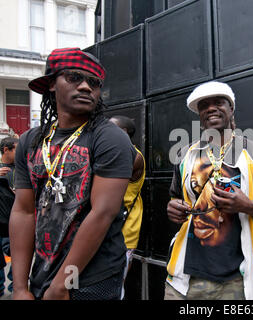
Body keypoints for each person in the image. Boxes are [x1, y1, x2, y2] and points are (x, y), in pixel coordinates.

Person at [10, 47, 136, 300]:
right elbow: (23, 211)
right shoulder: (30, 141)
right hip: (43, 270)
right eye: (74, 78)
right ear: (52, 84)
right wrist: (20, 287)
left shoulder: (110, 138)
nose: (86, 87)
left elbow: (103, 213)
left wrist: (62, 284)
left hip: (92, 277)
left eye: (93, 82)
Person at [164, 81, 253, 300]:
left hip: (235, 279)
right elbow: (174, 198)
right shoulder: (186, 155)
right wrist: (173, 208)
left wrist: (247, 206)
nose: (211, 108)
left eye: (219, 102)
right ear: (200, 115)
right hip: (185, 277)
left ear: (231, 109)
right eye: (204, 105)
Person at [109, 115, 146, 299]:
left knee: (115, 285)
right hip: (108, 228)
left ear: (123, 133)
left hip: (124, 229)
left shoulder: (134, 156)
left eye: (110, 127)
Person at [0, 137, 18, 297]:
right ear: (6, 150)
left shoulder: (20, 169)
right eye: (16, 149)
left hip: (14, 224)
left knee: (18, 256)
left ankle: (16, 287)